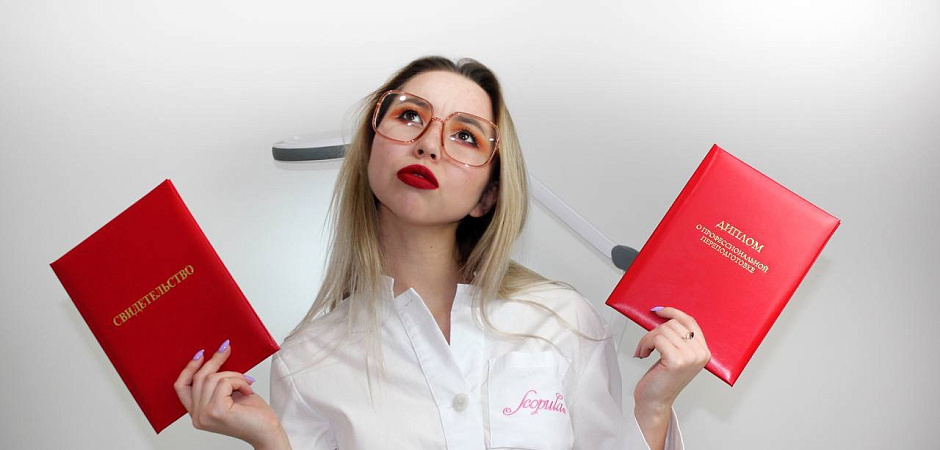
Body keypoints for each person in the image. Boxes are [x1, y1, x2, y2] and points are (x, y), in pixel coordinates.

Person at [174, 56, 711, 450]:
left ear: (488, 197)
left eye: (466, 136)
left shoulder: (563, 320)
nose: (429, 143)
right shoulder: (306, 362)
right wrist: (270, 441)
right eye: (410, 116)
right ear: (370, 149)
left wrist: (654, 406)